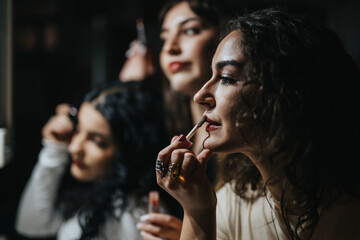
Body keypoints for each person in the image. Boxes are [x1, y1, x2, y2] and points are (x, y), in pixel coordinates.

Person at [156, 7, 360, 240]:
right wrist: (197, 211)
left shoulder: (351, 211)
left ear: (284, 90)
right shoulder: (234, 202)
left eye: (226, 78)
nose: (200, 95)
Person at [131, 1, 238, 239]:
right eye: (164, 37)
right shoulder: (168, 124)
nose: (170, 48)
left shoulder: (240, 134)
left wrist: (192, 232)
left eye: (190, 30)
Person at [15, 81, 174, 240]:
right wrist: (55, 148)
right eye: (78, 130)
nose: (74, 148)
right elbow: (32, 225)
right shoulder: (99, 192)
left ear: (129, 151)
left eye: (97, 141)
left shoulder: (134, 217)